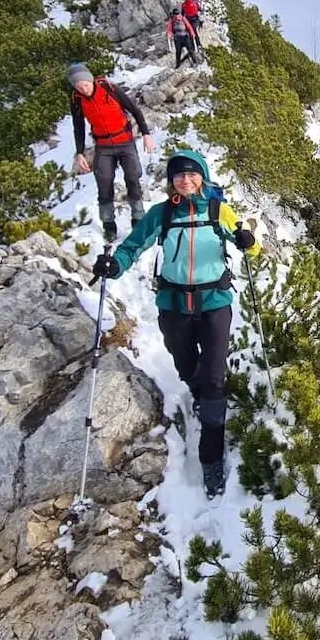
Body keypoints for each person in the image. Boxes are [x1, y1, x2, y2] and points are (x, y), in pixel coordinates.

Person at [91, 149, 261, 498]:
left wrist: (248, 241)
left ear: (203, 176)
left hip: (214, 303)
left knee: (214, 379)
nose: (185, 179)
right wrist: (115, 265)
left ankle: (211, 459)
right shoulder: (162, 213)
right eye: (179, 175)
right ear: (172, 180)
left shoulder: (219, 210)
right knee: (186, 365)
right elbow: (133, 246)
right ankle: (198, 393)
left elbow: (247, 244)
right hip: (174, 304)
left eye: (191, 173)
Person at [68, 62, 157, 243]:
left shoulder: (109, 89)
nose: (83, 89)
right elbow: (78, 128)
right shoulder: (77, 100)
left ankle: (138, 218)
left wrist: (146, 134)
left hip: (125, 141)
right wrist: (79, 153)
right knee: (104, 183)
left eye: (84, 84)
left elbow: (134, 109)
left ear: (90, 79)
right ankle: (109, 225)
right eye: (78, 86)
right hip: (103, 145)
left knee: (133, 177)